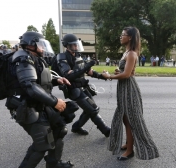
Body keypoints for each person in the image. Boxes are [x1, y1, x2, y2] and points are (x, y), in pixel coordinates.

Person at [5, 31, 74, 168]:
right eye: (40, 44)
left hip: (39, 103)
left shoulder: (34, 58)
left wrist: (57, 81)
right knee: (42, 141)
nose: (43, 47)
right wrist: (55, 102)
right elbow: (29, 86)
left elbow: (40, 81)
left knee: (59, 129)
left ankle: (53, 162)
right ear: (31, 44)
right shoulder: (22, 59)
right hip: (26, 106)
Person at [102, 26, 159, 160]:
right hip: (123, 88)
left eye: (123, 34)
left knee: (130, 120)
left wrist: (109, 76)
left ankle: (130, 151)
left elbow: (127, 75)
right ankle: (128, 143)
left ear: (130, 37)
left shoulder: (132, 53)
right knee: (124, 117)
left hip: (129, 89)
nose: (121, 37)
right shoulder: (126, 53)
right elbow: (127, 72)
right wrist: (118, 72)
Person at [54, 33, 110, 137]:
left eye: (76, 44)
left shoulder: (78, 56)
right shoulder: (62, 57)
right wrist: (85, 68)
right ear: (67, 45)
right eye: (73, 45)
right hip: (74, 89)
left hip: (83, 87)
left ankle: (76, 127)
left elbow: (89, 72)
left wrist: (103, 76)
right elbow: (69, 76)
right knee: (93, 110)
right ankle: (106, 130)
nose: (76, 46)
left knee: (91, 109)